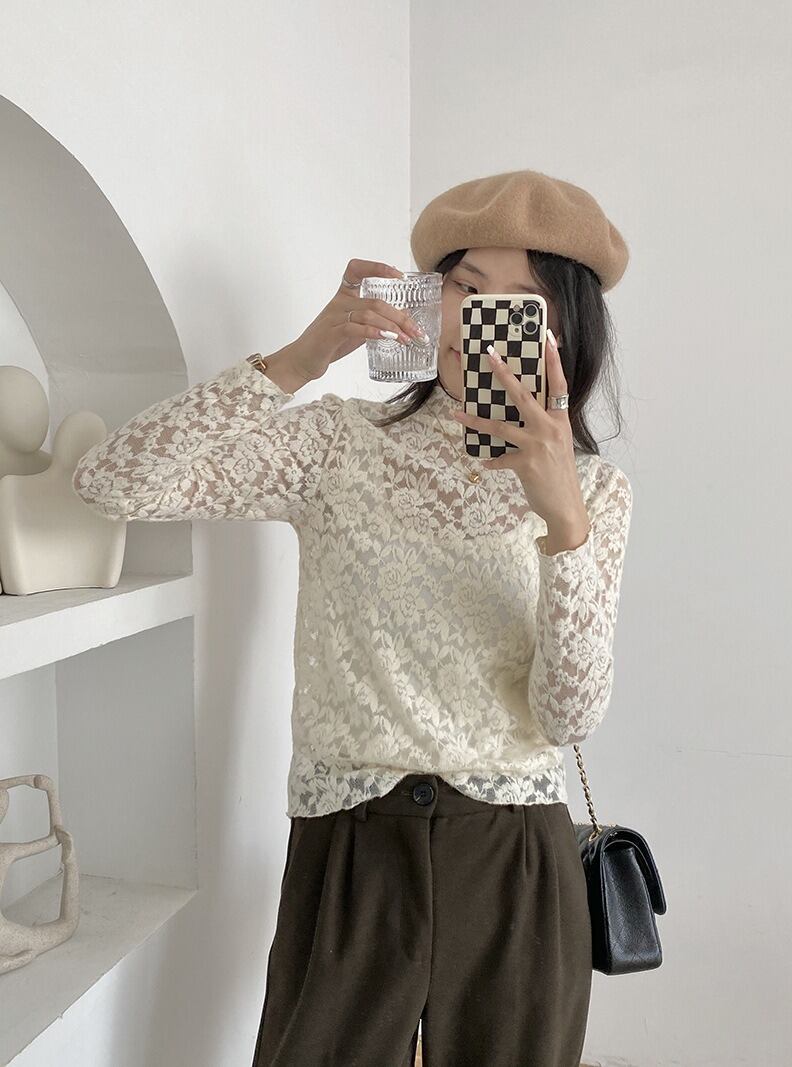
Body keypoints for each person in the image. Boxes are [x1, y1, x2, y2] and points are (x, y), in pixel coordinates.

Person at [72, 169, 633, 1067]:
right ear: (427, 301)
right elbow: (113, 483)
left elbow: (568, 716)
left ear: (564, 331)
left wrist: (563, 522)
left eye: (521, 304)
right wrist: (295, 361)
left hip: (516, 861)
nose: (478, 323)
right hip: (350, 845)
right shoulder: (337, 444)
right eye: (465, 289)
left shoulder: (596, 493)